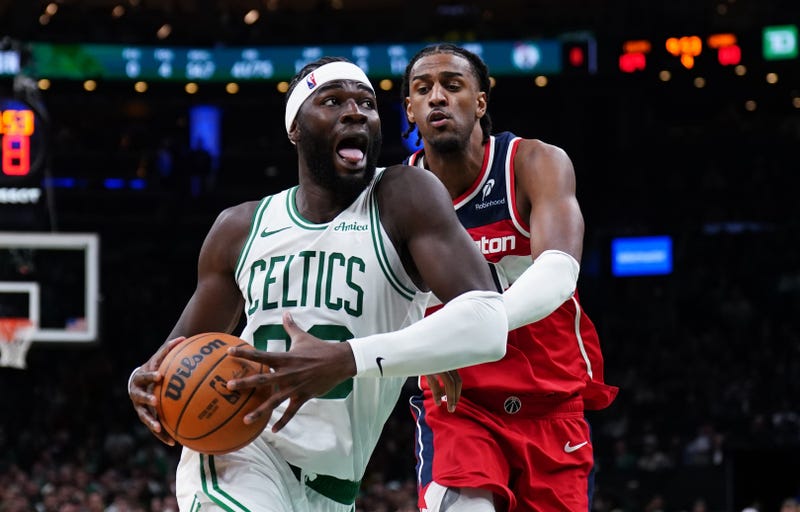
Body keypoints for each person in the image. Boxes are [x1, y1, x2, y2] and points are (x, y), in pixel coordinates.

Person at [127, 56, 509, 512]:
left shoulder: (404, 196)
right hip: (239, 454)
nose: (354, 112)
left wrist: (389, 351)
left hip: (334, 488)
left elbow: (489, 323)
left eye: (365, 103)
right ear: (295, 128)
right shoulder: (240, 228)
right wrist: (142, 381)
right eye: (332, 101)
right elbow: (170, 359)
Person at [401, 44, 619, 511]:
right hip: (460, 408)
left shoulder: (533, 163)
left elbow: (558, 272)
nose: (437, 97)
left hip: (549, 402)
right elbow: (386, 299)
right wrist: (420, 346)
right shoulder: (397, 194)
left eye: (452, 86)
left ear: (480, 102)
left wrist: (461, 329)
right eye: (423, 90)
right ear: (411, 111)